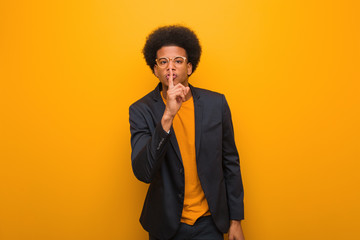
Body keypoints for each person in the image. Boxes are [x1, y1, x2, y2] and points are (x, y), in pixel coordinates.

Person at [129, 25, 245, 240]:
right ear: (155, 70)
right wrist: (168, 116)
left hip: (210, 223)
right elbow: (143, 172)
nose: (170, 67)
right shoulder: (140, 110)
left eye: (178, 61)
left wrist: (235, 220)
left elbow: (230, 162)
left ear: (189, 68)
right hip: (166, 225)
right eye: (163, 62)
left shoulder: (216, 104)